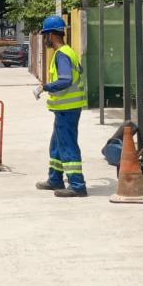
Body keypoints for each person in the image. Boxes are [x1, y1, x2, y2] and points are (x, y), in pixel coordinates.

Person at [34, 15, 88, 197]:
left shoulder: (62, 55)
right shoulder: (68, 51)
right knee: (56, 145)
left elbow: (66, 80)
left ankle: (77, 185)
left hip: (67, 109)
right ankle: (55, 179)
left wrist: (45, 87)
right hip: (65, 109)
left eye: (45, 35)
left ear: (50, 35)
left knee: (67, 145)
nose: (44, 40)